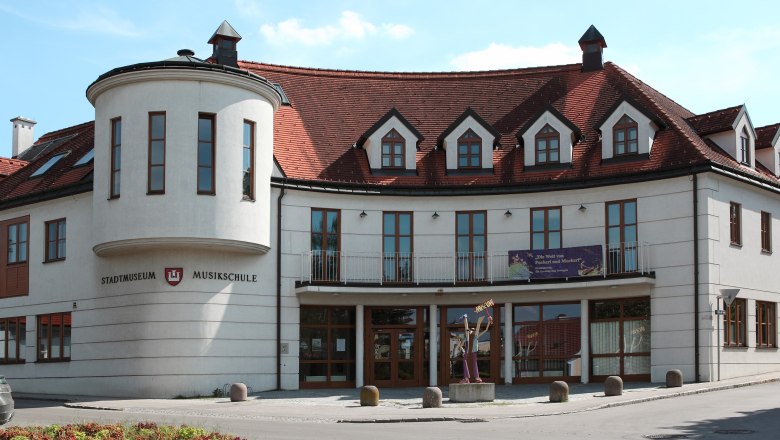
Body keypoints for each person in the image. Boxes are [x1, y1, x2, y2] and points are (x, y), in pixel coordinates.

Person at [459, 313, 492, 383]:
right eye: (471, 330)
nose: (472, 331)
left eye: (472, 330)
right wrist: (463, 350)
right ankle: (466, 378)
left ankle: (476, 377)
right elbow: (460, 345)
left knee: (474, 363)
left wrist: (488, 322)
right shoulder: (467, 337)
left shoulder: (476, 336)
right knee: (465, 362)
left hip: (473, 351)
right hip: (467, 350)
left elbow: (485, 329)